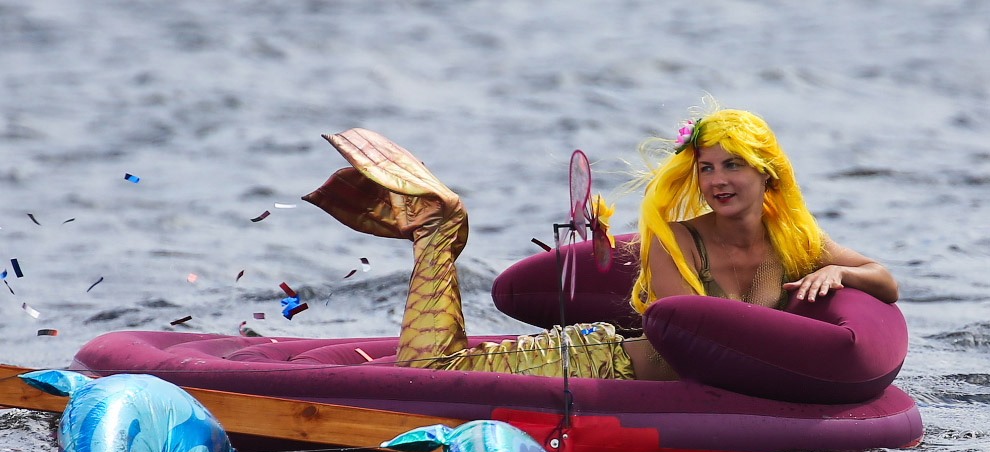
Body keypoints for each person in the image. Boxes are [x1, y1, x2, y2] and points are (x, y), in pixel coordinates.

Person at [302, 108, 897, 381]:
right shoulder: (677, 242)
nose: (717, 181)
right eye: (707, 167)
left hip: (621, 365)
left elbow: (886, 279)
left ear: (768, 173)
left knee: (430, 365)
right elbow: (690, 340)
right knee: (428, 372)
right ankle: (436, 227)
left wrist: (841, 276)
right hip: (593, 364)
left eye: (734, 166)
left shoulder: (797, 242)